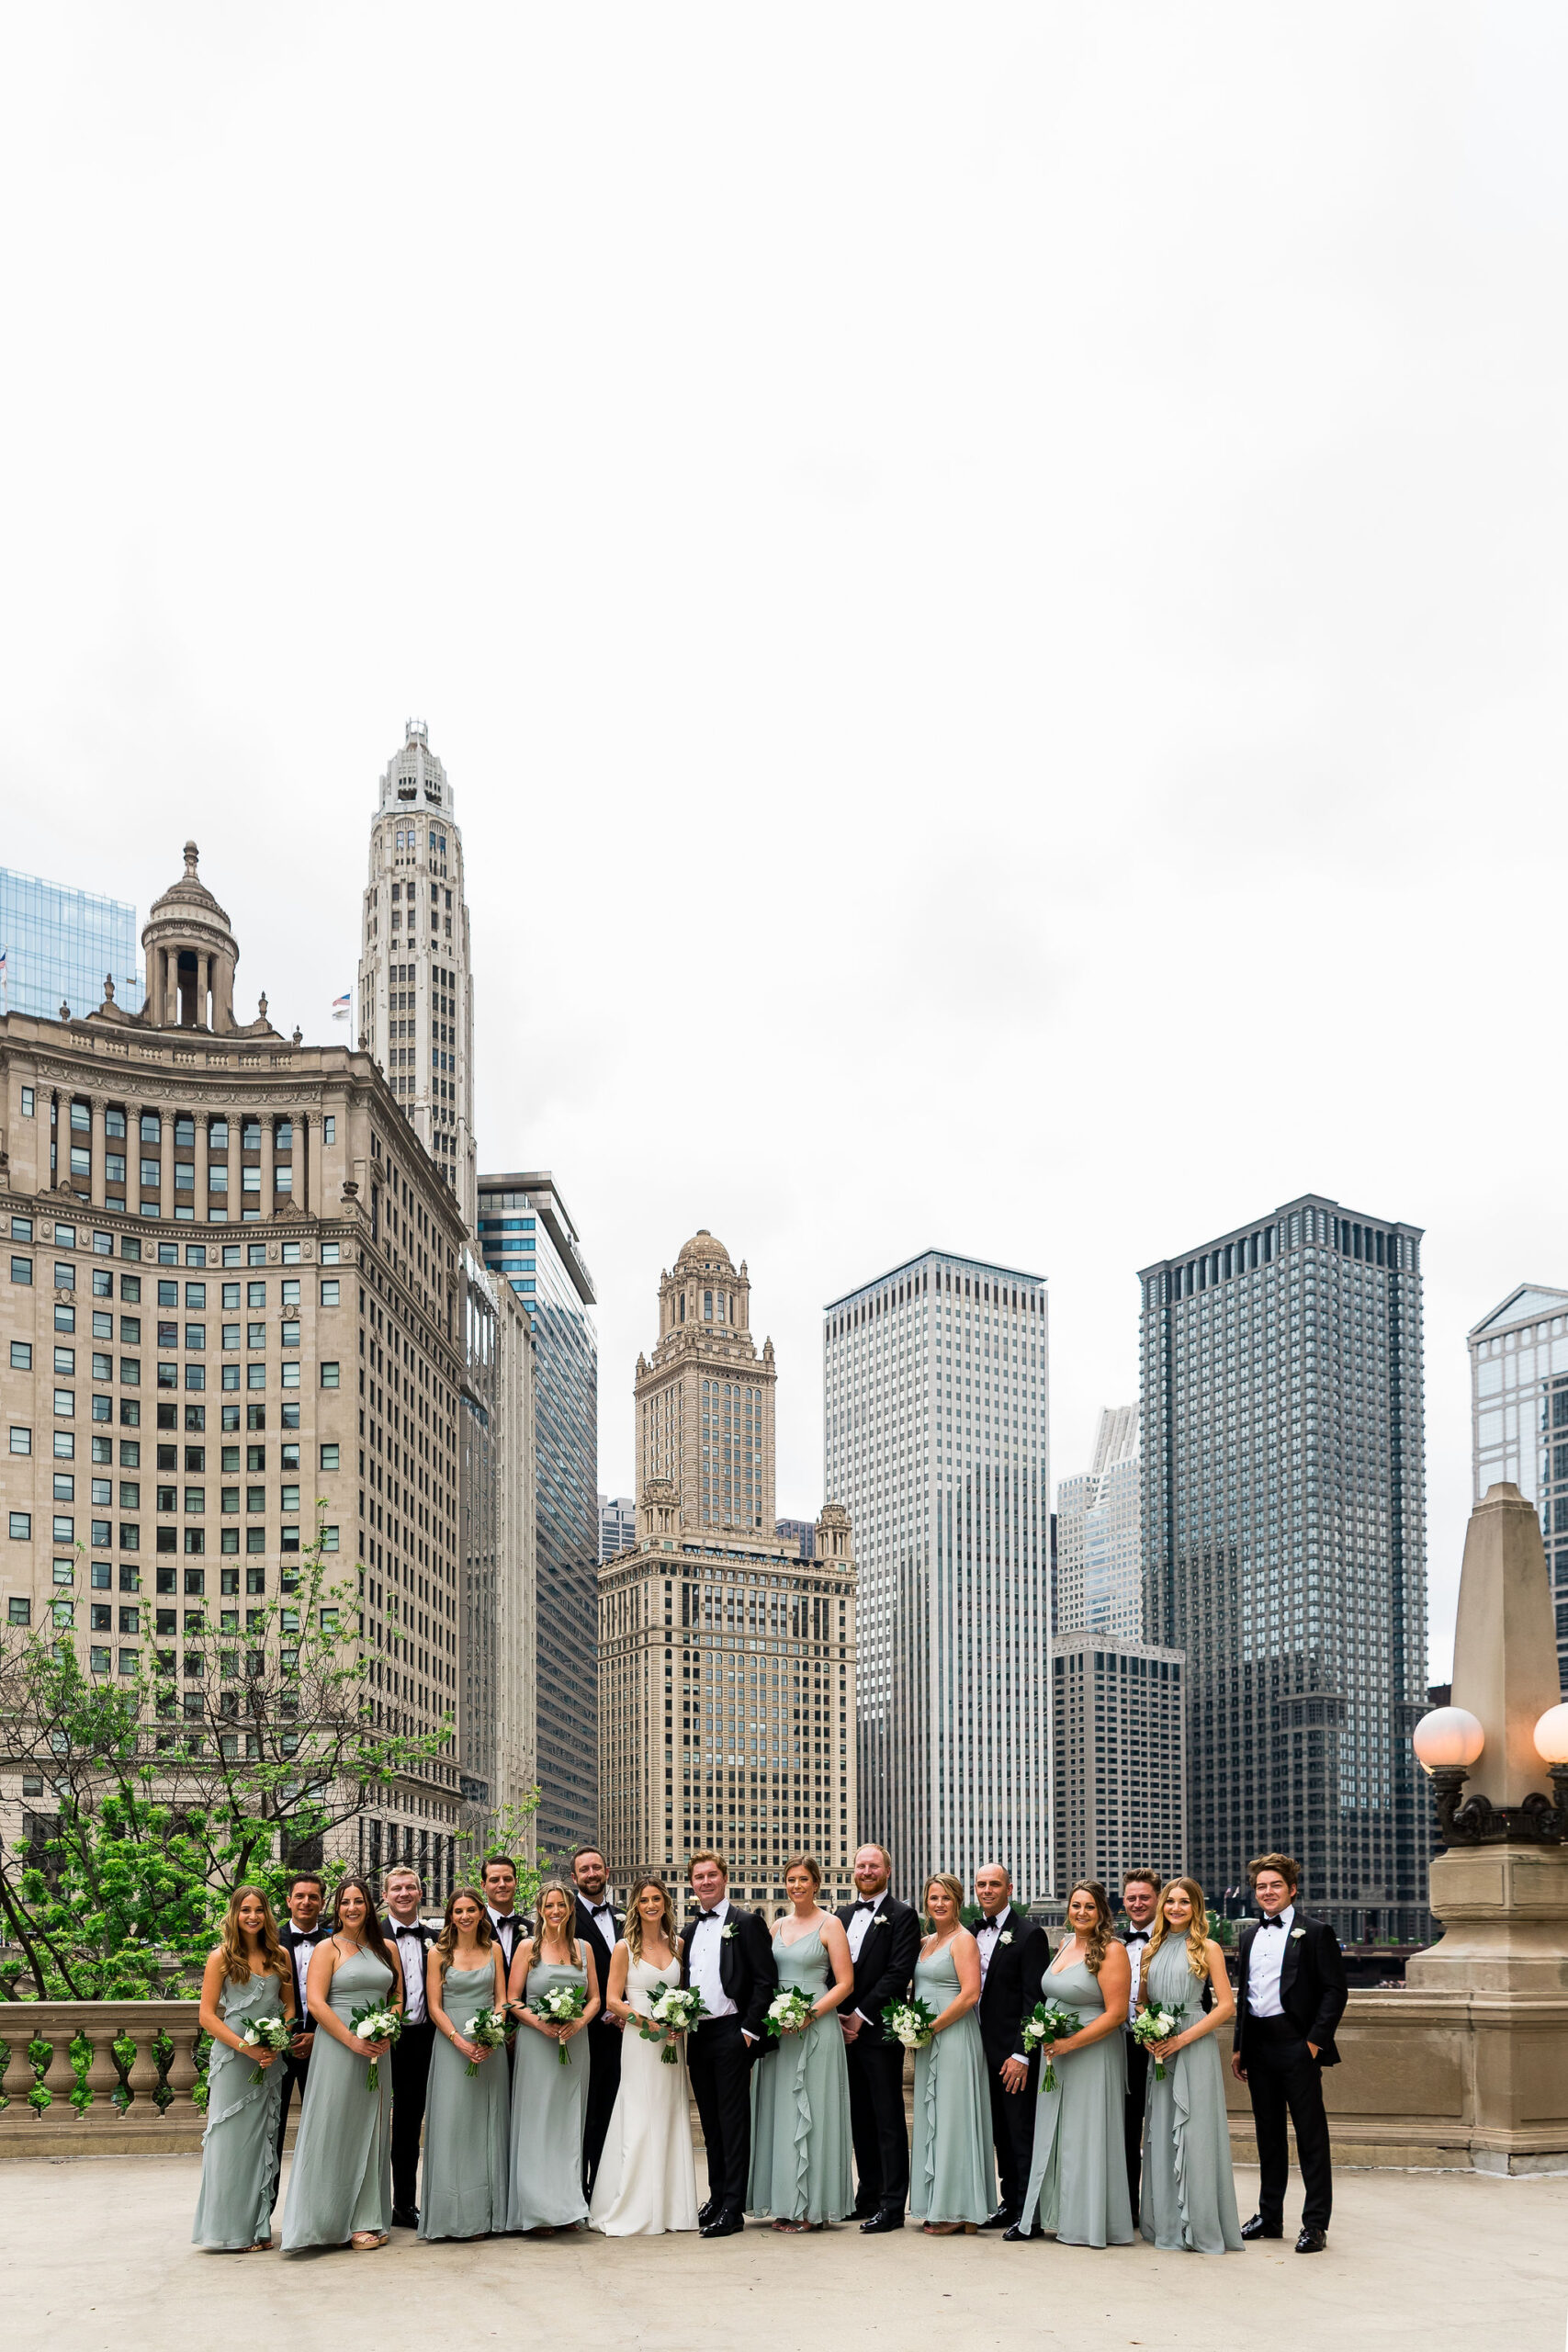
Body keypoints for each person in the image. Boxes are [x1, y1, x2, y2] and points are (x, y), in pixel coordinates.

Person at [1232, 1852, 1348, 2255]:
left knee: (1311, 2137)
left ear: (1292, 1889)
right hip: (1258, 2048)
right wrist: (1239, 2047)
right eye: (1261, 1886)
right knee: (1268, 2137)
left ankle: (1315, 2224)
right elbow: (1245, 1996)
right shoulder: (1247, 1937)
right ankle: (1269, 2216)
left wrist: (1313, 2043)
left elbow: (1335, 1991)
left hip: (1297, 2046)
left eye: (1275, 1885)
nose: (1268, 1892)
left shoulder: (1315, 1931)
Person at [280, 1875, 403, 2254]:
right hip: (338, 2048)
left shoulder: (387, 1949)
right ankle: (325, 2219)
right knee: (333, 2128)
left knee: (373, 2129)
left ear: (370, 1906)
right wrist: (351, 2039)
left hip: (377, 2051)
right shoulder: (327, 1948)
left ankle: (366, 2217)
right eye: (346, 1902)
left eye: (359, 1901)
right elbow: (316, 2003)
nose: (352, 1908)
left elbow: (398, 1996)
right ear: (338, 1907)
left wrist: (388, 2027)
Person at [1008, 1880, 1134, 2248]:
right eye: (1076, 1905)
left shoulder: (1112, 1950)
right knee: (1054, 2133)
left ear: (1102, 1912)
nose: (1081, 1913)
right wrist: (1045, 2036)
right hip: (1056, 2054)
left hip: (1092, 2054)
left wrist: (1069, 2043)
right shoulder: (1063, 1945)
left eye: (1090, 1907)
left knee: (1085, 2135)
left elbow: (1115, 2014)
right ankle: (1048, 2215)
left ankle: (1086, 2221)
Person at [747, 1855, 855, 2230]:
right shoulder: (775, 1926)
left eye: (803, 1879)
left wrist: (810, 2014)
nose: (796, 1886)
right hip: (780, 2031)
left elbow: (844, 1983)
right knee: (782, 2113)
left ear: (816, 1884)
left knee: (815, 2111)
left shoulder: (832, 1924)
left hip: (816, 2028)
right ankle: (784, 2201)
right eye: (791, 1879)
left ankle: (812, 2207)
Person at [590, 1874, 700, 2235]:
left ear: (666, 1903)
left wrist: (680, 2021)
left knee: (669, 2116)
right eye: (644, 1900)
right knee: (639, 2118)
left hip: (671, 2043)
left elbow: (683, 1994)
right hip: (640, 2043)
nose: (651, 1905)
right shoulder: (625, 1947)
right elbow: (611, 2000)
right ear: (635, 1906)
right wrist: (647, 2024)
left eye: (657, 1899)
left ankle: (670, 2208)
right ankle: (635, 2205)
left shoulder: (678, 1944)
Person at [1137, 1876, 1242, 2255]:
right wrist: (1148, 2031)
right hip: (1160, 2051)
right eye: (1170, 1902)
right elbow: (1142, 2003)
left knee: (1195, 2134)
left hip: (1193, 2046)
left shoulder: (1208, 1947)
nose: (1176, 1908)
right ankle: (1166, 2223)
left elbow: (1227, 2006)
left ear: (1196, 1907)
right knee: (1163, 2134)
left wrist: (1182, 2038)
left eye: (1184, 1902)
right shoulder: (1152, 1947)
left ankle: (1199, 2225)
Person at [193, 1885, 297, 2252]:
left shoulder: (280, 1955)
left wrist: (277, 2039)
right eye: (245, 1910)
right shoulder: (220, 1958)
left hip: (270, 2057)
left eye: (259, 1910)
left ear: (267, 1915)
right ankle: (227, 2230)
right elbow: (207, 2016)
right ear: (234, 1914)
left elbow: (289, 2009)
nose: (252, 1916)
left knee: (262, 2140)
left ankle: (257, 2228)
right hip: (234, 2060)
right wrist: (247, 2048)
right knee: (230, 2142)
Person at [680, 1849, 778, 2237]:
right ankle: (716, 2198)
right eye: (698, 1877)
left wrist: (749, 2031)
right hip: (698, 2034)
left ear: (725, 1878)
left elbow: (765, 1980)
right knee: (710, 2124)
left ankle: (733, 2209)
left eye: (711, 1875)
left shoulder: (747, 1923)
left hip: (733, 2031)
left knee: (734, 2122)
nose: (705, 1882)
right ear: (692, 1884)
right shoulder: (688, 1932)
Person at [505, 1876, 602, 2233]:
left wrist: (578, 2023)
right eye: (549, 1905)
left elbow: (595, 1997)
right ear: (540, 1910)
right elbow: (513, 1999)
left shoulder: (583, 1949)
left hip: (575, 2044)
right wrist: (541, 2024)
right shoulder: (527, 1948)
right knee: (538, 2122)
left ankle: (566, 2207)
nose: (556, 1911)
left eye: (562, 1904)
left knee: (568, 2124)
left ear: (571, 1908)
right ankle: (537, 2210)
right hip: (537, 2043)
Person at [835, 1842, 920, 2233]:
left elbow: (898, 1973)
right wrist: (836, 2016)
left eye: (873, 1866)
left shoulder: (903, 1916)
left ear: (888, 1871)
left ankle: (891, 2204)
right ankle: (867, 2194)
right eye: (861, 1866)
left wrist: (859, 2016)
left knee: (888, 2118)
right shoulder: (842, 1915)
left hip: (878, 2031)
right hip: (842, 2033)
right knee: (859, 2118)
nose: (866, 1872)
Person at [419, 1885, 510, 2240]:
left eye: (471, 1910)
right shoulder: (438, 1954)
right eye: (458, 1911)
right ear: (450, 1917)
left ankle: (490, 2215)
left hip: (491, 2046)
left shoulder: (495, 1950)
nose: (465, 1916)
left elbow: (502, 2000)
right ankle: (455, 2216)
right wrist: (459, 2040)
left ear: (481, 1914)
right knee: (455, 2126)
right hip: (452, 2045)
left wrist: (491, 2034)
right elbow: (435, 2006)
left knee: (489, 2126)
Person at [908, 1873, 996, 2235]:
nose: (939, 1904)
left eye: (946, 1898)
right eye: (932, 1898)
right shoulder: (926, 1942)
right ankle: (938, 2201)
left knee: (956, 2119)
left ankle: (962, 2209)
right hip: (928, 2041)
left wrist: (932, 2027)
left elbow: (970, 1994)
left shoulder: (964, 1941)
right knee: (934, 2119)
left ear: (958, 1901)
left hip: (955, 2036)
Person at [972, 1861, 1051, 2233]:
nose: (987, 1890)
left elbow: (1034, 2001)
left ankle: (1028, 2210)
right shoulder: (971, 1932)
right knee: (998, 2131)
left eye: (994, 1884)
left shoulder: (1029, 1934)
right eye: (981, 1884)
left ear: (1010, 1888)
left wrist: (1022, 2054)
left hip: (1013, 2053)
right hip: (978, 2051)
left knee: (1020, 2131)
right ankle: (1009, 2202)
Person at [380, 1865, 435, 2228]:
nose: (404, 1893)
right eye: (396, 1888)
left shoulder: (435, 1938)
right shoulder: (367, 1936)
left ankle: (404, 2203)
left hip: (423, 2041)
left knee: (408, 2125)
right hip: (378, 2040)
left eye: (410, 1887)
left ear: (420, 1893)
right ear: (385, 1895)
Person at [272, 1871, 329, 2213]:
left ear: (322, 1902)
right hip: (277, 2047)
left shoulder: (335, 1942)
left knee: (322, 2130)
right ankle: (266, 2211)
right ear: (289, 1901)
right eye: (300, 1896)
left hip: (325, 2046)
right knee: (271, 2131)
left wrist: (317, 2034)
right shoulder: (268, 1940)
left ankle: (316, 2211)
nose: (306, 1902)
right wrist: (284, 2036)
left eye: (313, 1897)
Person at [571, 1844, 624, 2196]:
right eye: (584, 1870)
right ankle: (580, 2190)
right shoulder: (563, 1915)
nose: (592, 1874)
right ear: (574, 1878)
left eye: (597, 1868)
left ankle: (607, 2190)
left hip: (623, 2032)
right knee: (583, 2115)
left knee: (613, 2112)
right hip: (581, 2032)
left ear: (607, 1873)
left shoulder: (625, 1916)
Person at [1119, 1868, 1161, 2222]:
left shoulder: (1175, 1942)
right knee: (1126, 2131)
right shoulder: (1113, 1945)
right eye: (1131, 1897)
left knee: (1162, 2128)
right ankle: (1129, 2209)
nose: (1137, 1903)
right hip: (1122, 2047)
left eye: (1144, 1897)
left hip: (1164, 2047)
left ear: (1157, 1899)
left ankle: (1162, 2207)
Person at [481, 1853, 532, 1974]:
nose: (502, 1884)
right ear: (483, 1886)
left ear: (516, 1882)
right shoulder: (474, 1929)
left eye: (508, 1879)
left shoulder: (534, 1930)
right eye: (494, 1880)